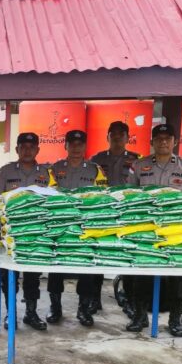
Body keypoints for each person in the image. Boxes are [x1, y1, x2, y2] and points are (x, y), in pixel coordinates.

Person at [126, 123, 182, 336]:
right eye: (159, 139)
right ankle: (139, 316)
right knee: (142, 272)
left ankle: (176, 318)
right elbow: (129, 197)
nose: (163, 142)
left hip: (175, 230)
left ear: (175, 141)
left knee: (177, 275)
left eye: (168, 138)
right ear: (152, 142)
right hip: (146, 229)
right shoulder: (139, 166)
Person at [0, 132, 52, 331]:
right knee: (8, 275)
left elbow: (54, 205)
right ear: (17, 150)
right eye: (23, 146)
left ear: (38, 150)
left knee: (33, 276)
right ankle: (10, 313)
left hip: (36, 235)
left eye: (32, 147)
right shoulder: (5, 173)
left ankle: (31, 313)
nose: (27, 150)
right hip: (10, 235)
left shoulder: (47, 173)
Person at [47, 130, 107, 327]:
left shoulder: (94, 170)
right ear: (65, 146)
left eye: (80, 144)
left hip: (85, 228)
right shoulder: (54, 169)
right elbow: (48, 196)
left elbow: (102, 197)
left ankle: (84, 309)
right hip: (61, 228)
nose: (75, 147)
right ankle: (55, 308)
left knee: (86, 269)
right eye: (72, 143)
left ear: (85, 146)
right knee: (55, 268)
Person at [90, 120, 141, 316]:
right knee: (97, 255)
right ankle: (94, 299)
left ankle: (128, 298)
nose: (118, 137)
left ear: (128, 138)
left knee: (127, 257)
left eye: (122, 134)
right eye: (114, 134)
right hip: (101, 215)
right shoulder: (96, 159)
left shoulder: (137, 160)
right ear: (108, 137)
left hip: (127, 216)